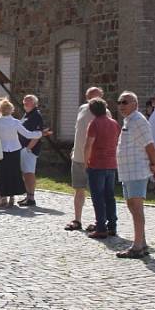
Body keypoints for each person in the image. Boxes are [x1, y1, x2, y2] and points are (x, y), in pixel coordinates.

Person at [115, 91, 155, 259]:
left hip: (136, 170)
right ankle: (142, 242)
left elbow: (150, 146)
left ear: (135, 104)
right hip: (127, 172)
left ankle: (137, 246)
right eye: (119, 102)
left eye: (125, 102)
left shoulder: (138, 121)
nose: (121, 105)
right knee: (131, 206)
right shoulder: (129, 120)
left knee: (136, 207)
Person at [0, 98, 44, 208]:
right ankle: (12, 197)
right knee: (14, 173)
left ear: (0, 110)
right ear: (11, 110)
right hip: (15, 150)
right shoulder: (15, 122)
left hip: (2, 150)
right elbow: (28, 134)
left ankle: (3, 198)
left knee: (2, 174)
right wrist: (39, 134)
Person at [65, 87, 105, 232]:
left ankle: (99, 221)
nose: (93, 100)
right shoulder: (82, 108)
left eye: (96, 97)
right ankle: (77, 219)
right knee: (78, 189)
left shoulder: (104, 112)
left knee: (97, 192)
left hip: (95, 160)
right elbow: (78, 131)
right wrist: (74, 149)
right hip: (78, 157)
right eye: (90, 97)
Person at [84, 97, 120, 239]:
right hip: (111, 163)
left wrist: (86, 160)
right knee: (109, 196)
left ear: (92, 111)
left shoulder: (94, 124)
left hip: (97, 164)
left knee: (98, 196)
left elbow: (88, 145)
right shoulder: (114, 123)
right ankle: (112, 226)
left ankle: (101, 228)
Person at [18, 94, 45, 206]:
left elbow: (37, 134)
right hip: (23, 148)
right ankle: (28, 196)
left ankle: (31, 198)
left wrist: (28, 149)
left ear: (34, 103)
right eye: (24, 101)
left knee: (29, 173)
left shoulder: (36, 115)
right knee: (25, 173)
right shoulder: (27, 114)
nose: (25, 103)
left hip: (29, 150)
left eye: (27, 101)